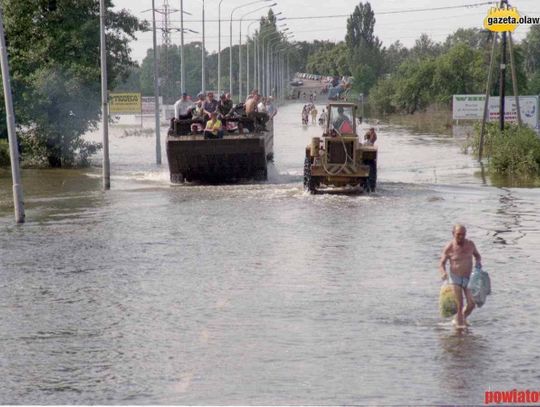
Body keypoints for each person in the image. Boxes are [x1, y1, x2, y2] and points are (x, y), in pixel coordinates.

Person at [439, 224, 482, 327]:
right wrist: (443, 272)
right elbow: (441, 263)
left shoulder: (470, 244)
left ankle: (460, 319)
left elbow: (477, 256)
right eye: (458, 234)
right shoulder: (449, 247)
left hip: (468, 278)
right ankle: (459, 331)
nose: (461, 237)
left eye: (463, 234)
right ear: (453, 234)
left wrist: (478, 263)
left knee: (472, 304)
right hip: (455, 278)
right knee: (460, 304)